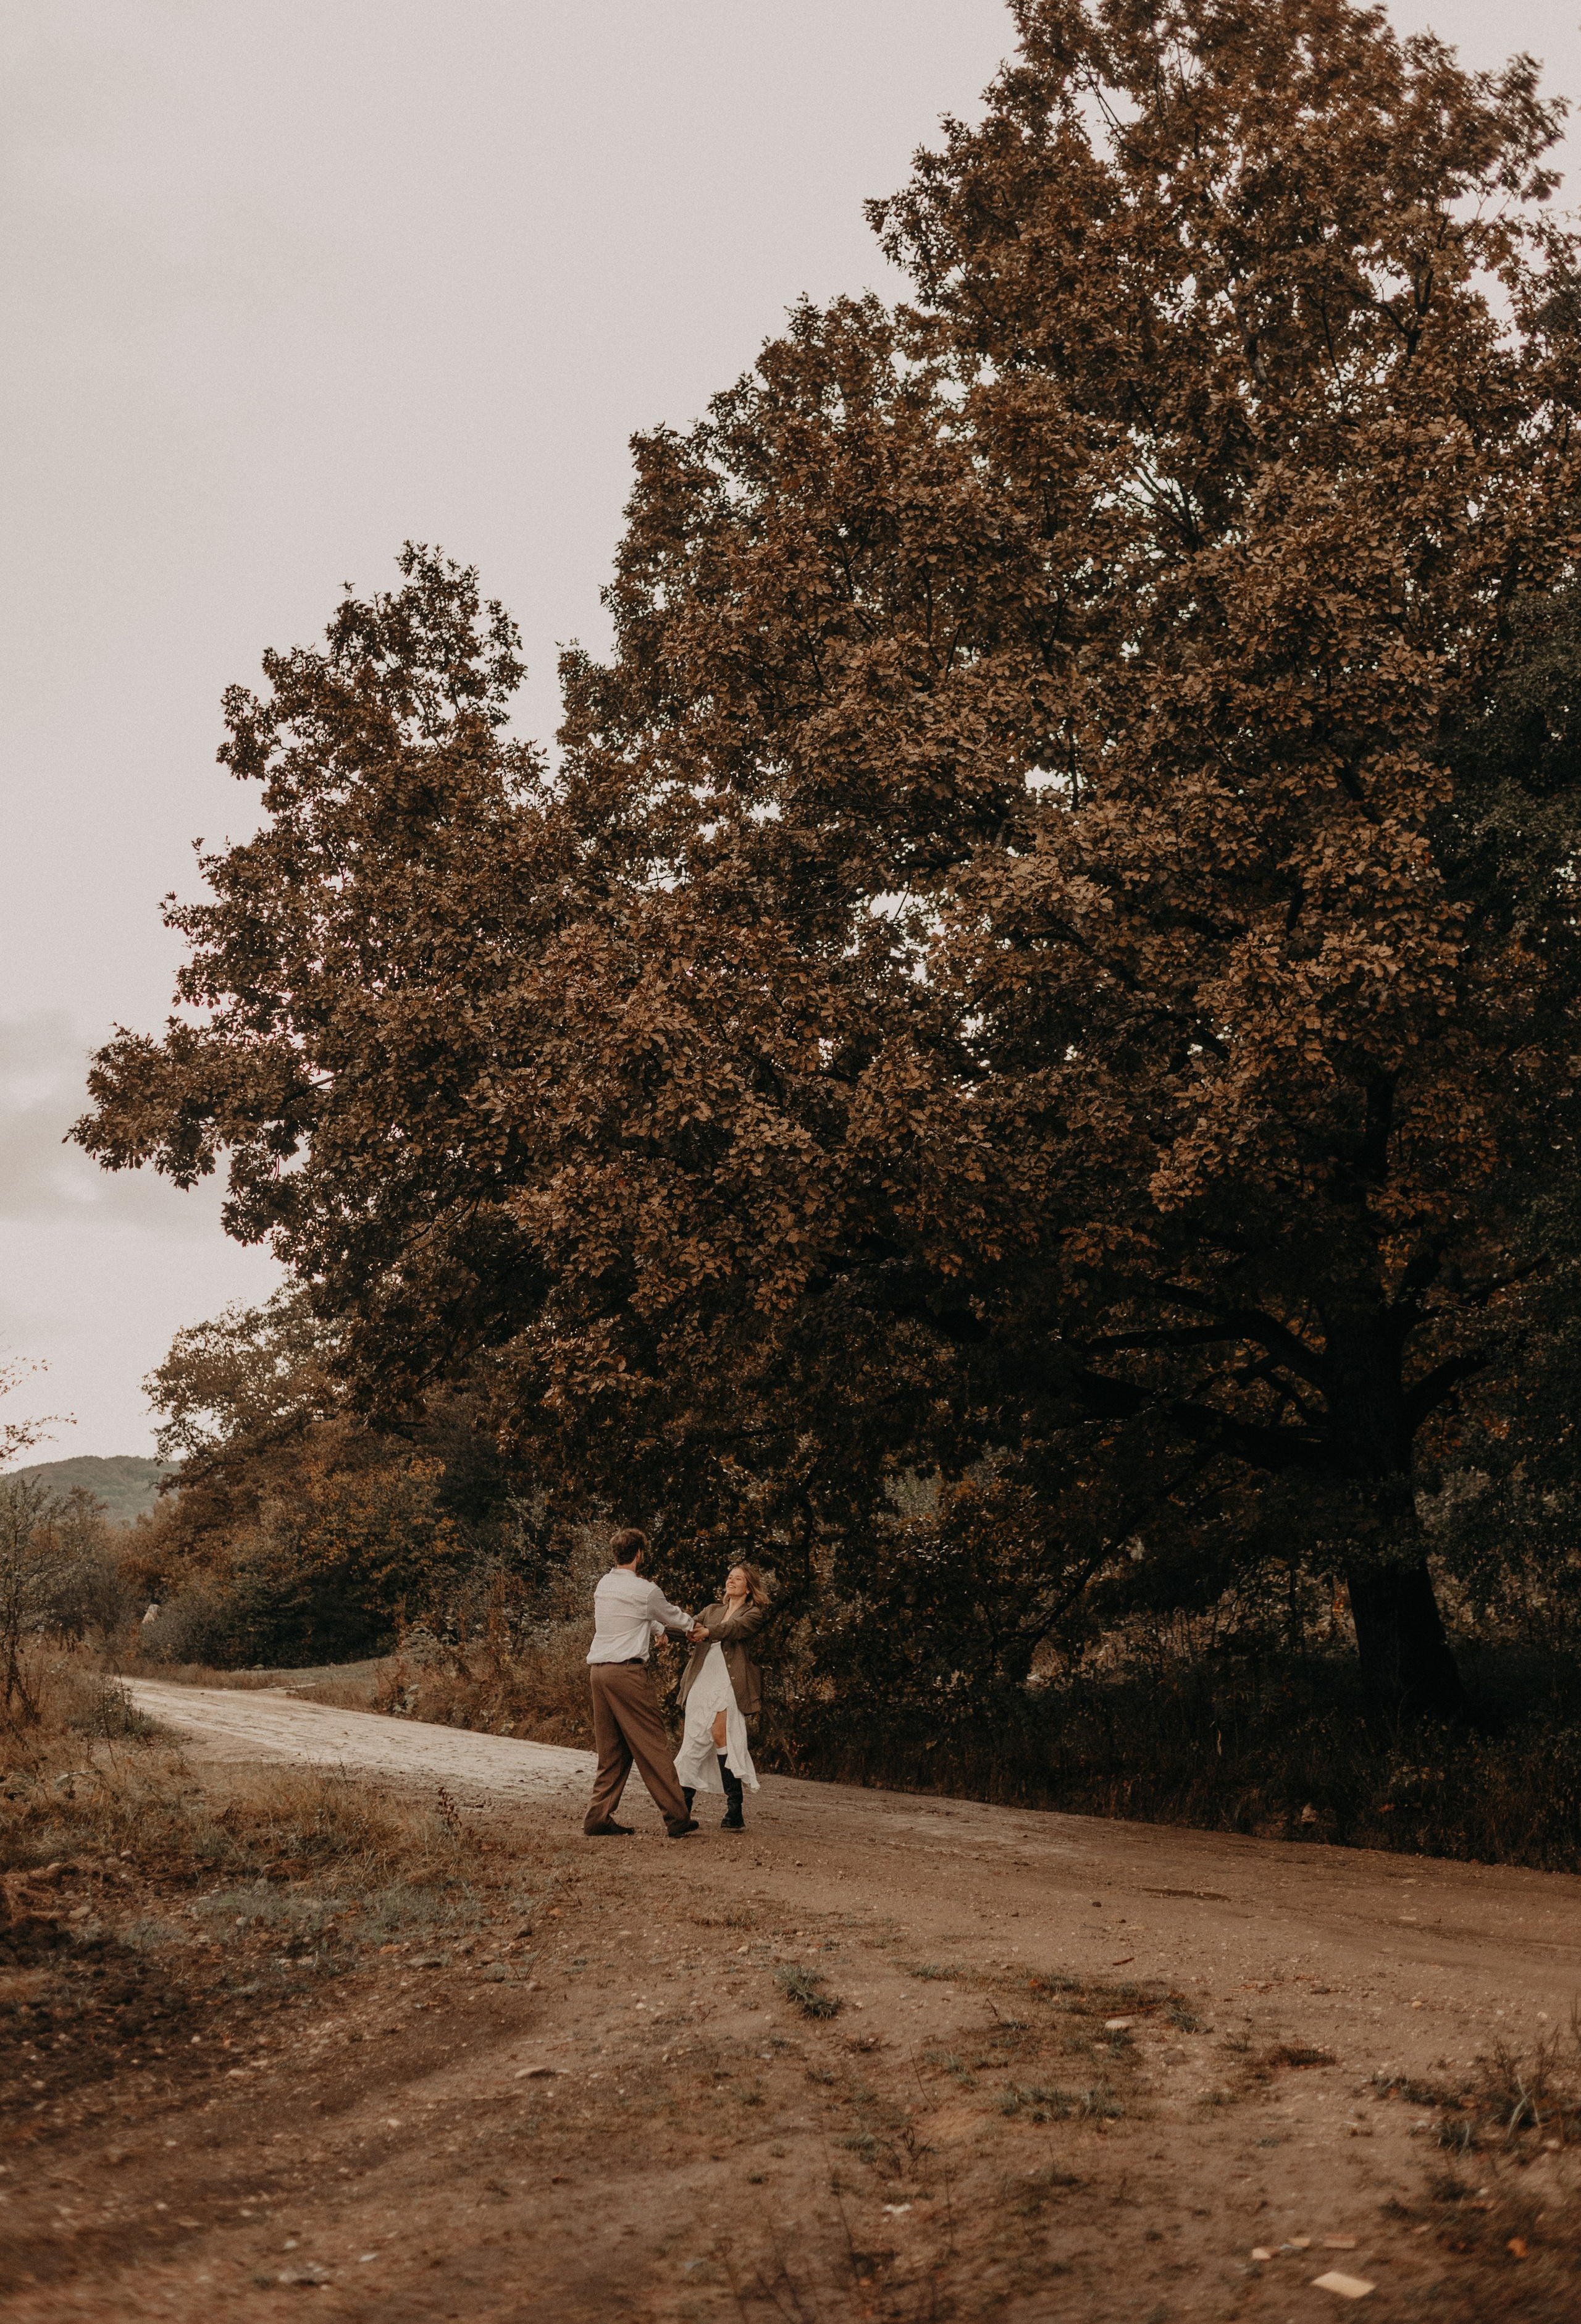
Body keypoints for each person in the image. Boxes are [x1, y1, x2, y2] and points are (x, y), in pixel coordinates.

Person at [583, 1528, 699, 1839]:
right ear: (640, 1555)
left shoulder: (604, 1585)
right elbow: (674, 1615)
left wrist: (656, 1628)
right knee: (652, 1744)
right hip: (627, 1674)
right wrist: (694, 1627)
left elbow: (634, 1615)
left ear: (616, 1554)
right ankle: (677, 1818)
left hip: (599, 1673)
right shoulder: (647, 1591)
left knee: (612, 1750)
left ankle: (598, 1817)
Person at [676, 1563, 770, 1831]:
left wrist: (708, 1632)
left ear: (748, 1587)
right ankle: (682, 1809)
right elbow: (691, 1624)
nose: (731, 1581)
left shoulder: (754, 1613)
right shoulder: (712, 1610)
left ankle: (734, 1809)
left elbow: (735, 1629)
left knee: (721, 1734)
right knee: (693, 1738)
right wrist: (671, 1630)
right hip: (701, 1680)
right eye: (729, 1577)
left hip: (729, 1683)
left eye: (738, 1578)